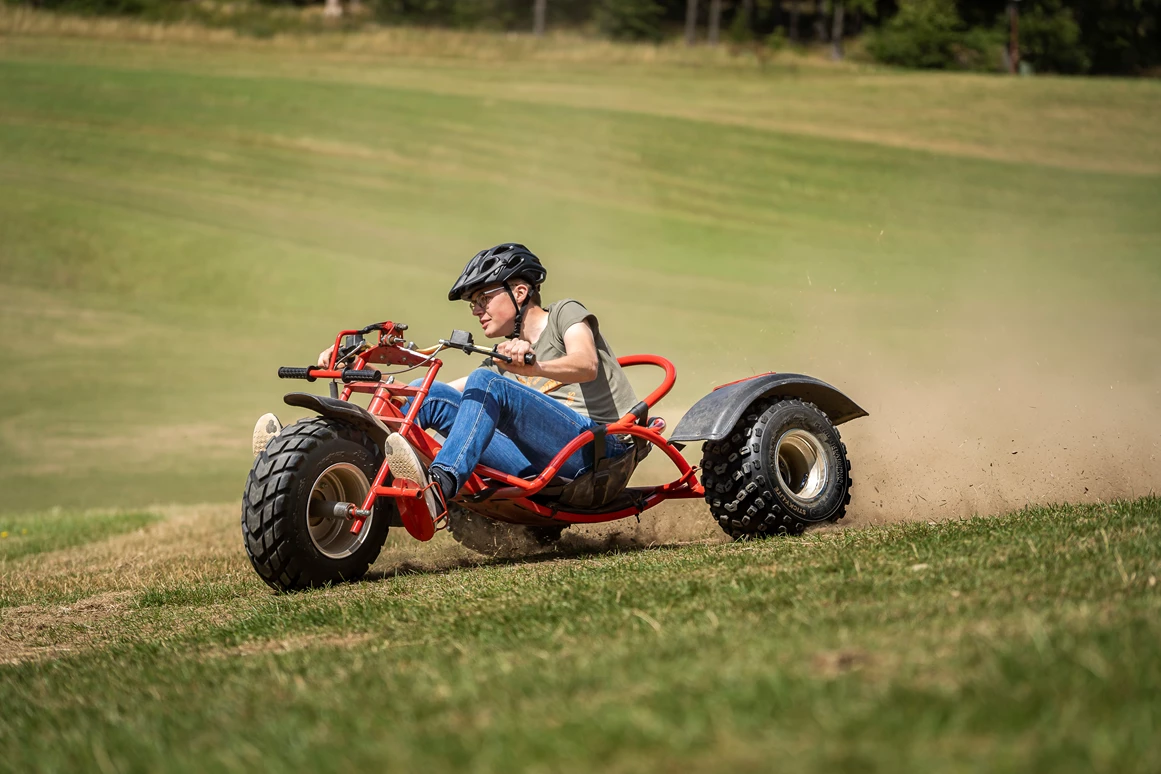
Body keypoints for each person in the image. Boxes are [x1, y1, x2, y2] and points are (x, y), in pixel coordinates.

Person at [332, 243, 639, 521]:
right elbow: (433, 395)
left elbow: (586, 364)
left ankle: (441, 486)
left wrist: (536, 367)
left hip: (597, 453)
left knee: (486, 381)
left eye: (484, 299)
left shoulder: (563, 314)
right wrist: (364, 369)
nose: (477, 311)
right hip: (543, 464)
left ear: (519, 293)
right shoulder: (504, 357)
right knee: (428, 393)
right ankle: (363, 475)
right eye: (473, 304)